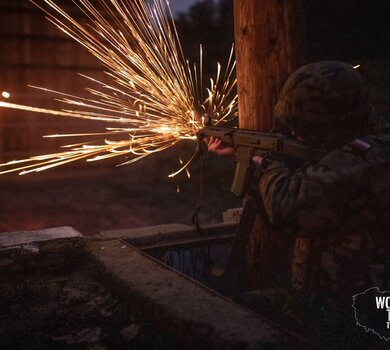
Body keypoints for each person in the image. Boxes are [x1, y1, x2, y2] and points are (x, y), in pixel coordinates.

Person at [205, 61, 390, 347]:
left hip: (362, 315)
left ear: (336, 120)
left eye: (307, 128)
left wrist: (263, 165)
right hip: (325, 301)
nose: (298, 135)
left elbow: (289, 206)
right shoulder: (352, 145)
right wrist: (243, 154)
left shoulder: (371, 156)